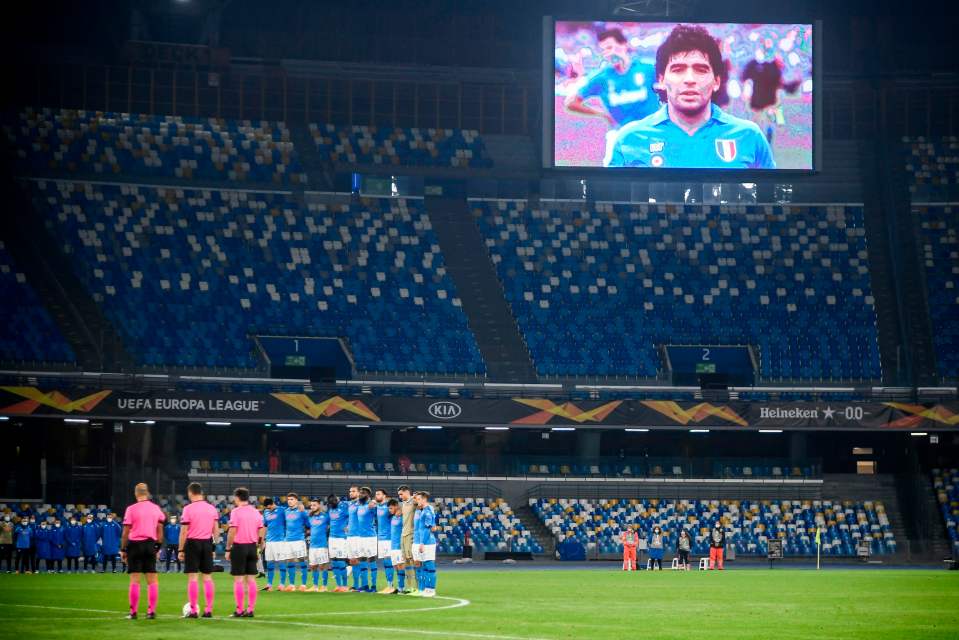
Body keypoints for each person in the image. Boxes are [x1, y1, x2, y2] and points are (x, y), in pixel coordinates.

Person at [609, 24, 775, 169]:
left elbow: (772, 200)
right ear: (661, 80)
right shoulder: (629, 139)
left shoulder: (749, 136)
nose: (689, 79)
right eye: (678, 69)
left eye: (701, 70)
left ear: (716, 81)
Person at [563, 27, 660, 166]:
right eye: (603, 50)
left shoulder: (647, 69)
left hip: (651, 135)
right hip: (620, 136)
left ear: (624, 45)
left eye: (610, 47)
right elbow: (570, 102)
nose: (607, 53)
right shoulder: (602, 77)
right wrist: (603, 114)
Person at [120, 483, 166, 620]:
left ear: (136, 494)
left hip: (135, 545)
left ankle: (133, 612)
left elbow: (125, 532)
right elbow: (160, 529)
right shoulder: (156, 508)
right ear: (147, 493)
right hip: (150, 544)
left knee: (135, 580)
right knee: (152, 580)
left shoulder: (131, 509)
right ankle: (151, 612)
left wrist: (123, 549)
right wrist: (157, 547)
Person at [179, 482, 220, 618]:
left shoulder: (188, 509)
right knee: (207, 577)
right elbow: (216, 531)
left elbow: (184, 532)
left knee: (193, 578)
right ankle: (208, 610)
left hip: (192, 544)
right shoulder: (211, 508)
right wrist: (213, 547)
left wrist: (180, 549)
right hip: (207, 543)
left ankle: (194, 610)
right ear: (201, 493)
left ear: (190, 493)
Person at [225, 487, 264, 618]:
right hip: (252, 547)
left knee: (239, 580)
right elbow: (262, 530)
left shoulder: (236, 512)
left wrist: (228, 548)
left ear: (237, 497)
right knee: (251, 580)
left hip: (239, 547)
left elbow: (232, 531)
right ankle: (251, 609)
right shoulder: (256, 512)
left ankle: (239, 609)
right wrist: (259, 545)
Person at [282, 492, 309, 592]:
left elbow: (308, 524)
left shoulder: (302, 511)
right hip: (288, 540)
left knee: (302, 561)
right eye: (288, 499)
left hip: (299, 540)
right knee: (289, 562)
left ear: (296, 501)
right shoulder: (286, 511)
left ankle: (303, 584)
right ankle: (292, 585)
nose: (289, 501)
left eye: (292, 499)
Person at [412, 491, 437, 598]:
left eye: (418, 499)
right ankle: (424, 588)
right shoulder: (423, 510)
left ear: (424, 499)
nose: (416, 501)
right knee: (423, 566)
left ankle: (431, 589)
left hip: (427, 543)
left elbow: (427, 529)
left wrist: (422, 543)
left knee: (429, 566)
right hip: (420, 541)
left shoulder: (427, 511)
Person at [353, 486, 377, 593]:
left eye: (363, 493)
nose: (360, 494)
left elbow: (378, 510)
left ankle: (374, 586)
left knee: (371, 559)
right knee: (362, 559)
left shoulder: (371, 505)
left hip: (370, 537)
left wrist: (374, 503)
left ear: (368, 495)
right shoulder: (359, 505)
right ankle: (365, 585)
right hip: (360, 537)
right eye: (360, 493)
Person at [326, 494, 350, 592]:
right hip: (332, 538)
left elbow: (352, 515)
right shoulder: (330, 510)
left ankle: (344, 586)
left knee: (340, 561)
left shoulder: (344, 507)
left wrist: (348, 525)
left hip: (341, 538)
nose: (332, 504)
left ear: (337, 500)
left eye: (334, 502)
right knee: (334, 562)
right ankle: (338, 585)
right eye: (331, 503)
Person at [260, 497, 285, 591]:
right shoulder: (266, 512)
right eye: (267, 508)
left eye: (269, 507)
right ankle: (269, 585)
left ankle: (282, 585)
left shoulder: (282, 510)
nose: (268, 509)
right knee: (270, 564)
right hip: (269, 541)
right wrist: (262, 540)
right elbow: (265, 526)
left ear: (273, 504)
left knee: (281, 563)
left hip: (280, 541)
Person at [306, 498, 330, 592]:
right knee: (313, 566)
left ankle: (324, 586)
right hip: (312, 545)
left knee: (323, 566)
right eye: (311, 505)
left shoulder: (325, 516)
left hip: (322, 544)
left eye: (314, 505)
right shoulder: (310, 517)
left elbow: (331, 524)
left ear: (319, 505)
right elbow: (308, 528)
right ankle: (315, 586)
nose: (312, 507)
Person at [398, 485, 418, 594]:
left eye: (401, 494)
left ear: (407, 492)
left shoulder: (413, 501)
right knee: (406, 561)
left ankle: (418, 586)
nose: (400, 496)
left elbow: (422, 503)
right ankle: (409, 586)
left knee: (413, 560)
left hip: (411, 534)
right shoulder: (403, 504)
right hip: (403, 534)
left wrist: (416, 498)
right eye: (399, 495)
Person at [374, 488, 394, 593]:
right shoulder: (377, 507)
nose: (376, 496)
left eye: (378, 494)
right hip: (380, 538)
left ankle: (391, 586)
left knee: (388, 561)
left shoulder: (388, 506)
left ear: (384, 495)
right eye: (375, 494)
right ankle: (389, 585)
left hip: (388, 538)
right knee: (385, 563)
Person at [386, 498, 406, 594]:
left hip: (399, 546)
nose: (390, 510)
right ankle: (399, 587)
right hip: (393, 546)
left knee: (400, 566)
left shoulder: (403, 517)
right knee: (396, 567)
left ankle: (402, 588)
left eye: (391, 508)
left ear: (397, 506)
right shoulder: (393, 517)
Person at [346, 485, 361, 591]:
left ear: (359, 493)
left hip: (357, 535)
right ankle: (355, 585)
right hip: (349, 535)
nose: (351, 493)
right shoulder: (350, 504)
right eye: (350, 491)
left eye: (353, 491)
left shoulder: (361, 504)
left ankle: (358, 585)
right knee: (351, 561)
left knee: (357, 560)